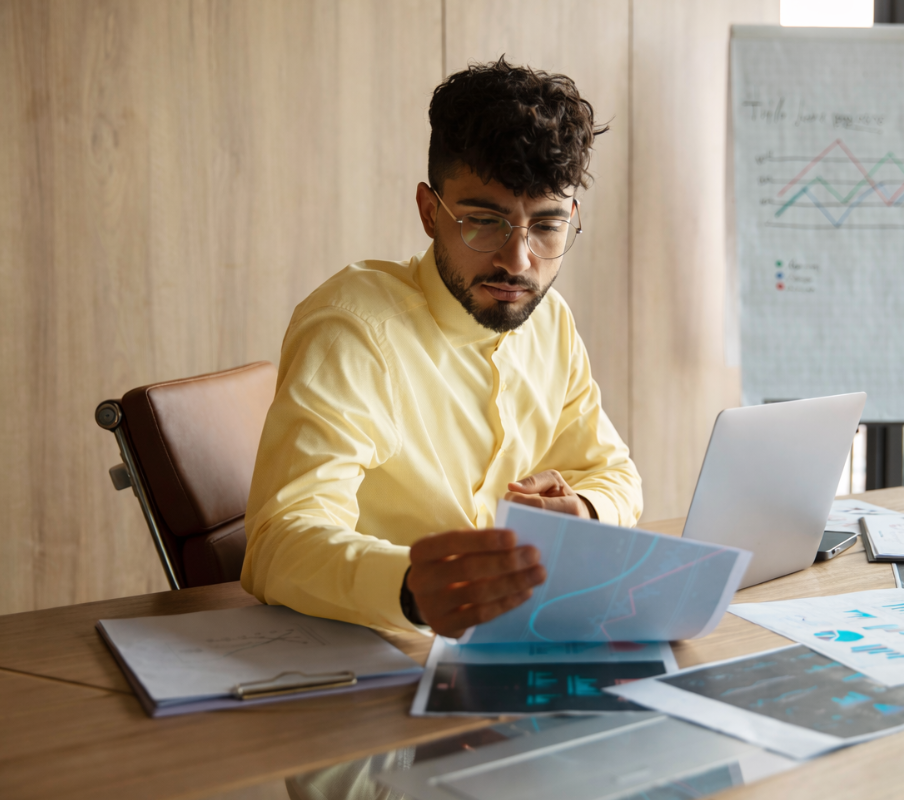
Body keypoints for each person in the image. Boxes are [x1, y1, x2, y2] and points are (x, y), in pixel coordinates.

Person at [241, 58, 642, 639]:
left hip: (517, 649)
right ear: (431, 212)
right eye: (484, 221)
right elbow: (278, 542)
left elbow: (614, 473)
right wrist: (408, 587)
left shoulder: (549, 320)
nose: (518, 261)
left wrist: (582, 509)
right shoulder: (352, 329)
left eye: (548, 226)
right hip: (381, 666)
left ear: (571, 217)